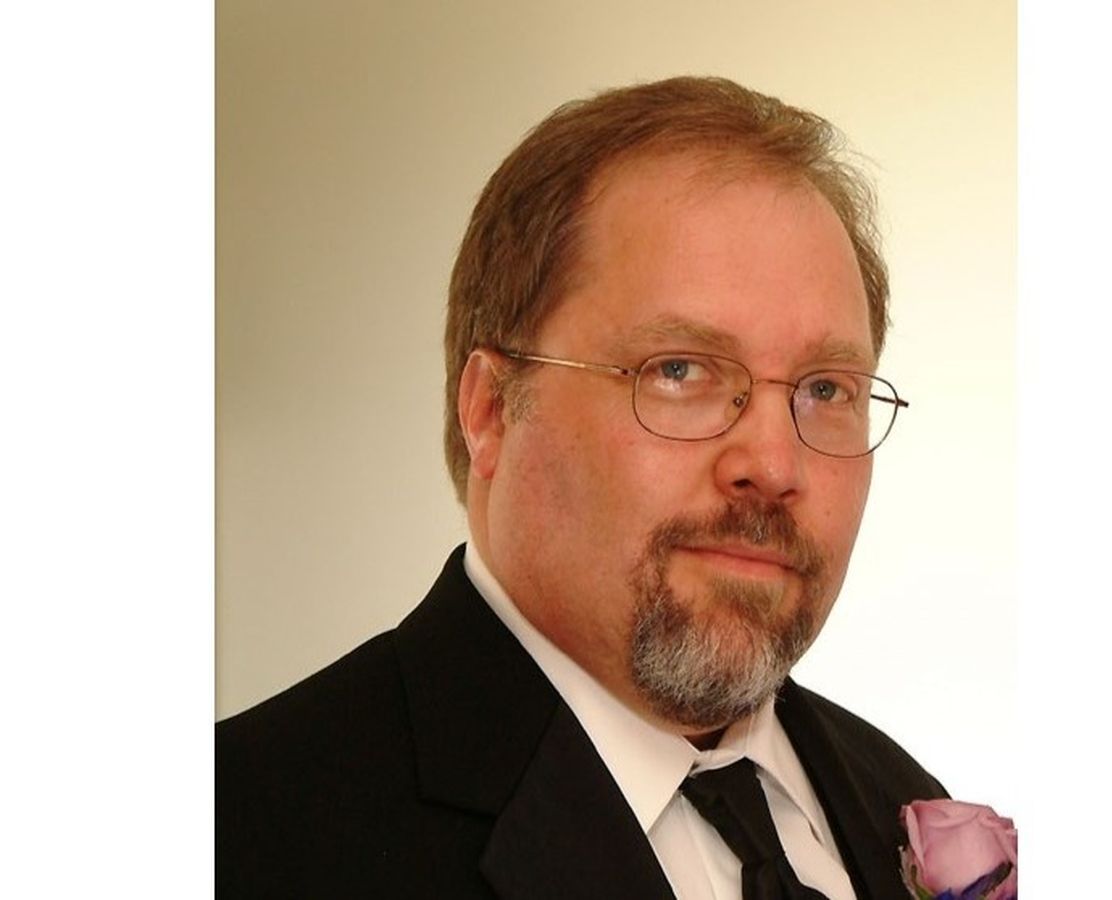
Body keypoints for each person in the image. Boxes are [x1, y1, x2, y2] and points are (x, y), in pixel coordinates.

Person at [216, 75, 947, 899]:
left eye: (825, 389)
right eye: (680, 371)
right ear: (491, 411)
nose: (775, 465)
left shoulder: (897, 800)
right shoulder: (240, 836)